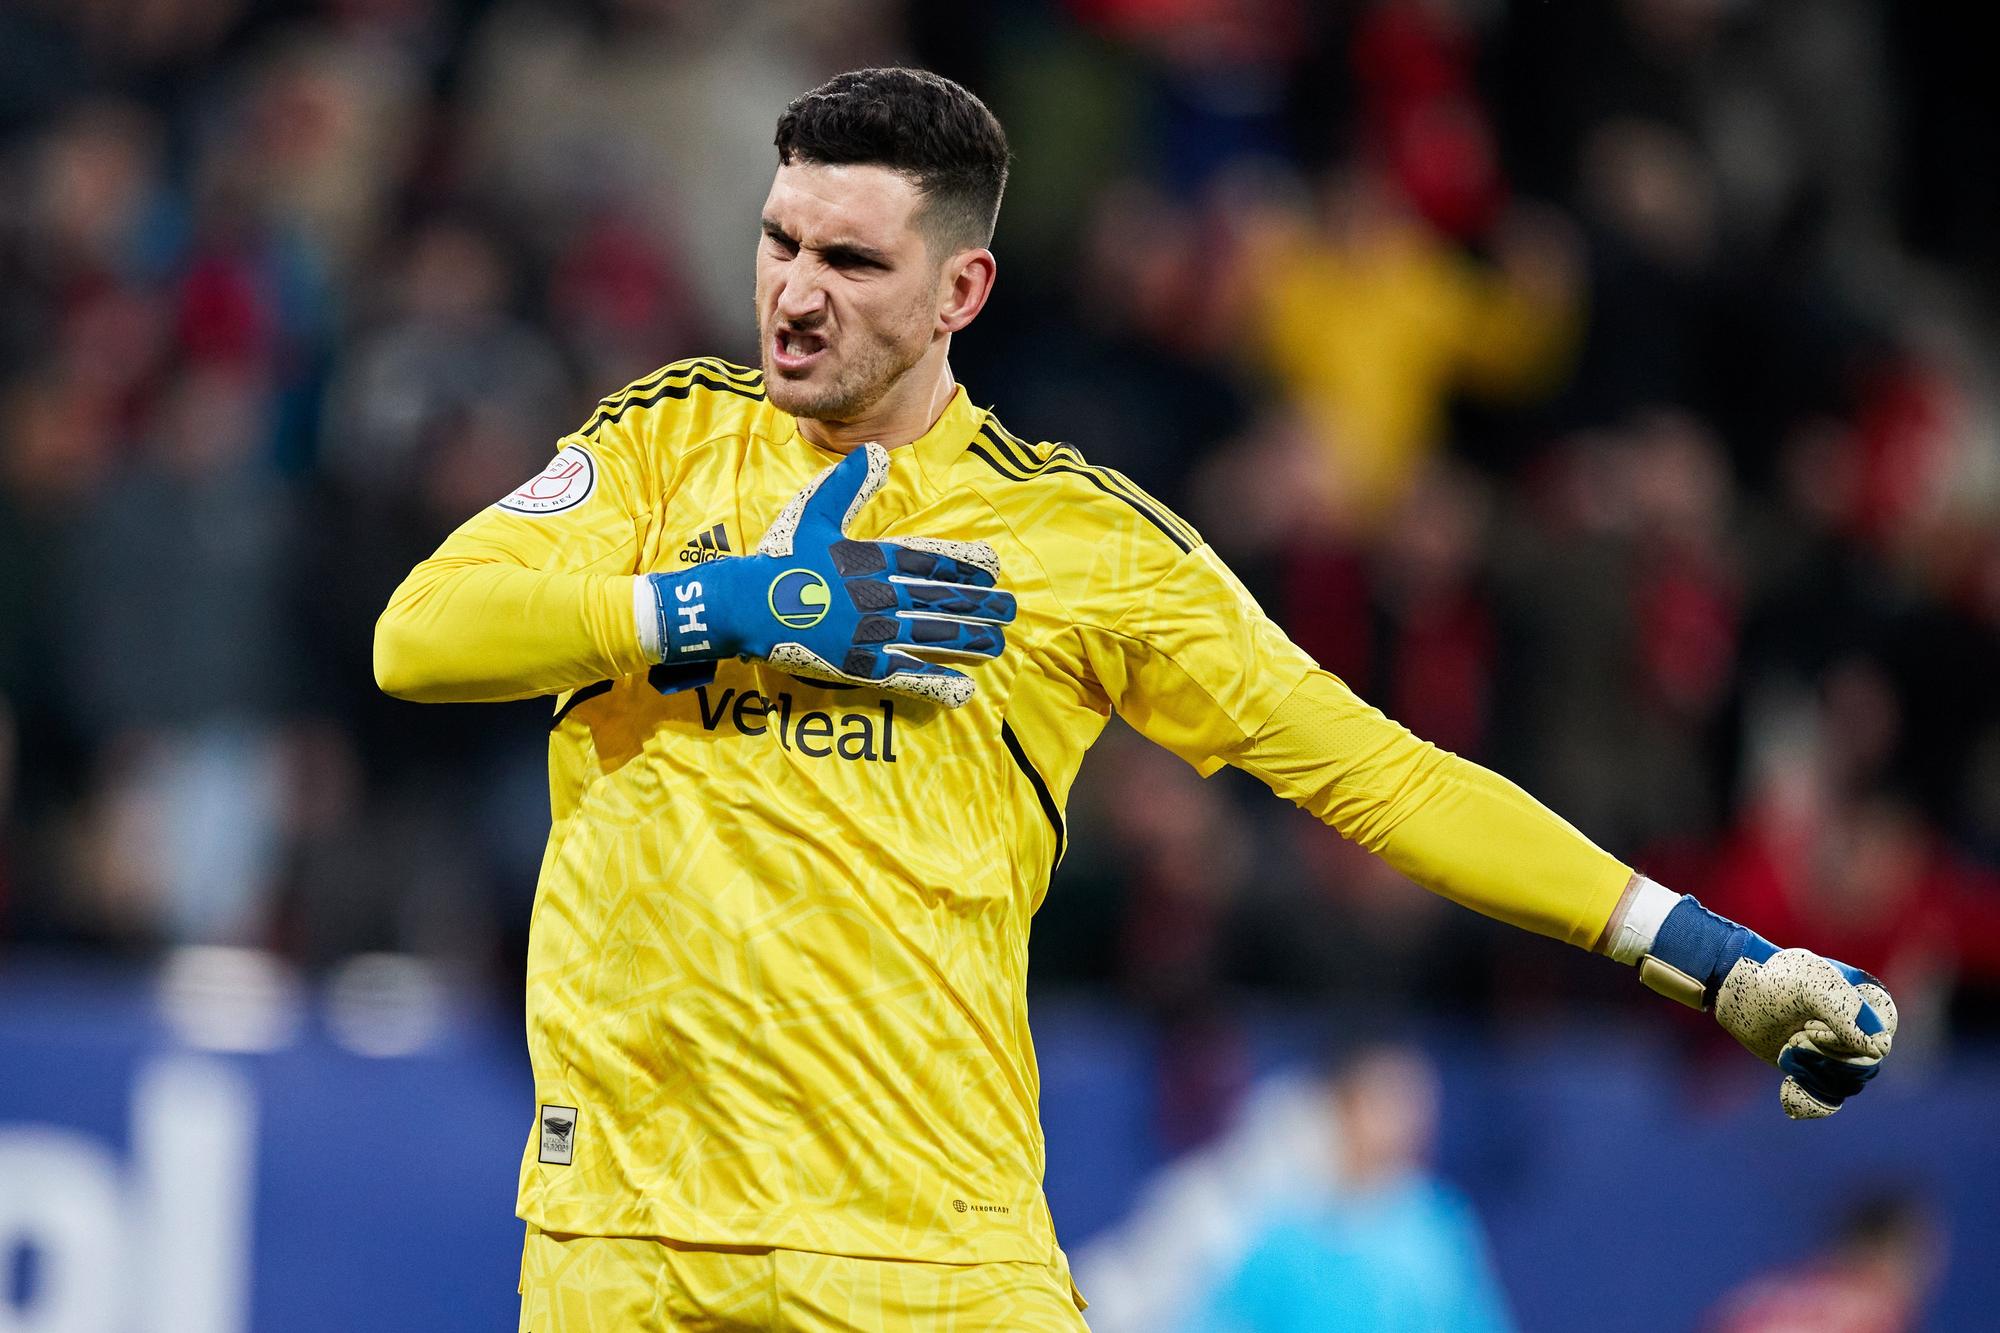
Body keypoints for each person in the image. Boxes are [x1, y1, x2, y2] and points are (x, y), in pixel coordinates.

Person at [373, 68, 1897, 1332]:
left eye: (853, 262)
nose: (795, 294)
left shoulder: (1085, 545)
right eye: (780, 242)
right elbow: (421, 636)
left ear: (963, 287)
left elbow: (1382, 774)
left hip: (932, 1255)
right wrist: (726, 607)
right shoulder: (659, 448)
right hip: (626, 1242)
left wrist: (1713, 958)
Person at [1198, 1044, 1514, 1333]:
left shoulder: (1438, 1226)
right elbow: (1230, 1318)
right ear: (1346, 1108)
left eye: (1418, 1105)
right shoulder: (1291, 1221)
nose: (1408, 1122)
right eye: (1389, 1101)